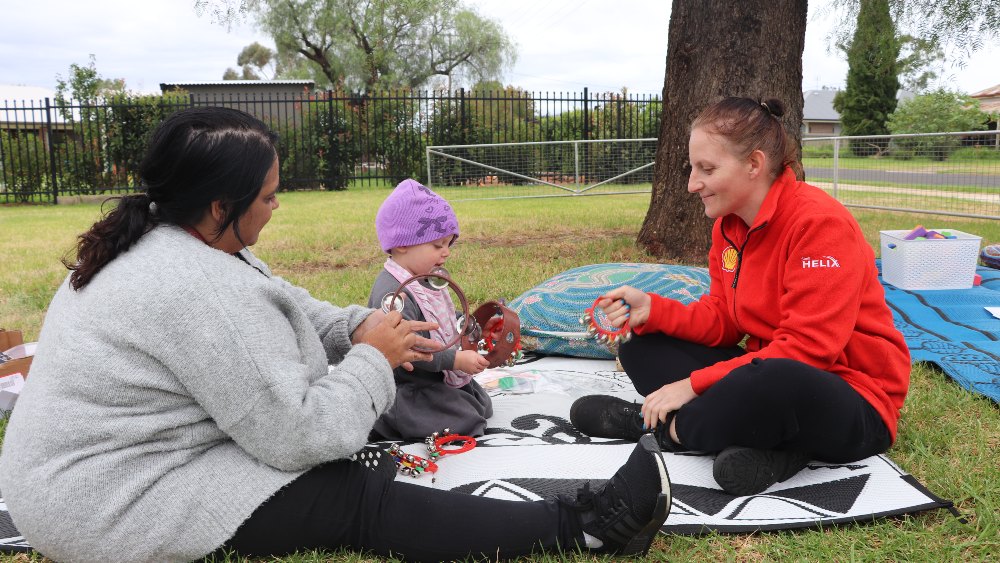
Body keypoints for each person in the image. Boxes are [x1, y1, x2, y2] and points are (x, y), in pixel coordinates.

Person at [0, 107, 671, 562]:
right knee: (353, 497)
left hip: (98, 472)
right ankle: (584, 525)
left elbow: (288, 303)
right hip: (106, 502)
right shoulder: (185, 287)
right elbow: (301, 435)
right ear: (218, 206)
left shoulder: (177, 238)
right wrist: (371, 360)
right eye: (267, 195)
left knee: (343, 467)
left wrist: (364, 327)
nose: (276, 204)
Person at [570, 97, 910, 497]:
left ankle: (664, 429)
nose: (692, 183)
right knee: (641, 348)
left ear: (754, 164)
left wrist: (693, 385)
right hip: (764, 373)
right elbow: (725, 321)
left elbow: (808, 351)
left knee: (770, 380)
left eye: (707, 169)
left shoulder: (820, 224)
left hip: (851, 396)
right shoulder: (729, 227)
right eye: (693, 168)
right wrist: (652, 310)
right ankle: (775, 449)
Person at [367, 179, 493, 440]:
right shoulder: (395, 293)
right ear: (402, 243)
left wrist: (465, 323)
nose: (446, 253)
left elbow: (439, 317)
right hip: (408, 383)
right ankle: (384, 417)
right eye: (438, 245)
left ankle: (446, 398)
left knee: (480, 403)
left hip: (434, 377)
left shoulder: (424, 277)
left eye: (450, 244)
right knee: (467, 419)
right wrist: (455, 360)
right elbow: (411, 346)